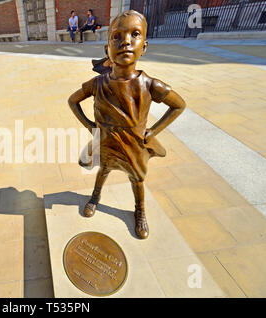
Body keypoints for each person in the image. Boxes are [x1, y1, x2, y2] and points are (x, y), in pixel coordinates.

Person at [68, 10, 186, 239]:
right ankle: (95, 197)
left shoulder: (151, 85)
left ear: (144, 46)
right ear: (107, 50)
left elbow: (179, 106)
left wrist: (153, 131)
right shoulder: (97, 83)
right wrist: (90, 126)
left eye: (135, 34)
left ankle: (140, 212)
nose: (125, 42)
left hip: (134, 144)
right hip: (106, 141)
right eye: (117, 36)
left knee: (137, 178)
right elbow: (72, 101)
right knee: (103, 170)